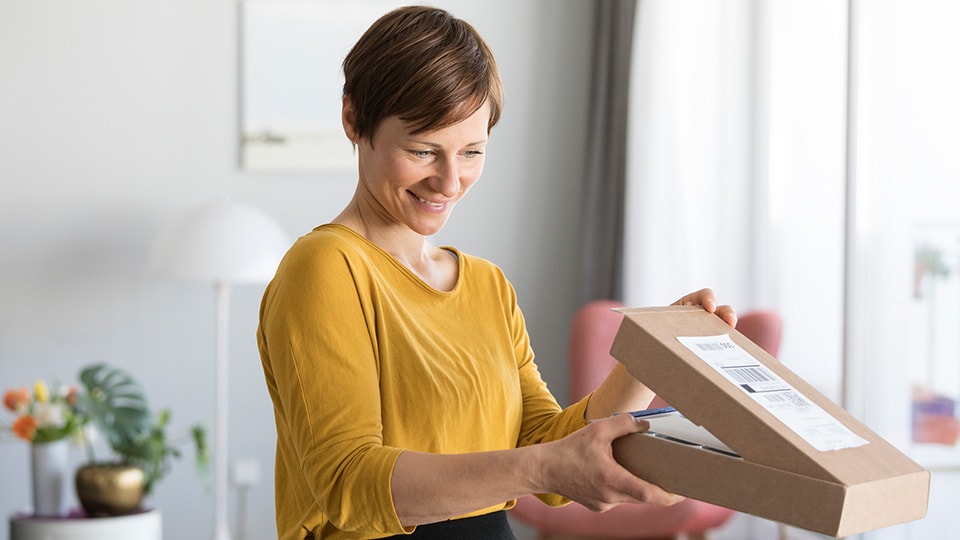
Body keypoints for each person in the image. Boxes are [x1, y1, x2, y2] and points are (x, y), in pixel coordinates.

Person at [256, 6, 737, 540]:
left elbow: (545, 453)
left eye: (472, 151)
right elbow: (347, 483)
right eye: (423, 150)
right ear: (353, 119)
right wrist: (547, 466)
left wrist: (653, 358)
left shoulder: (486, 285)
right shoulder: (326, 268)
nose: (449, 181)